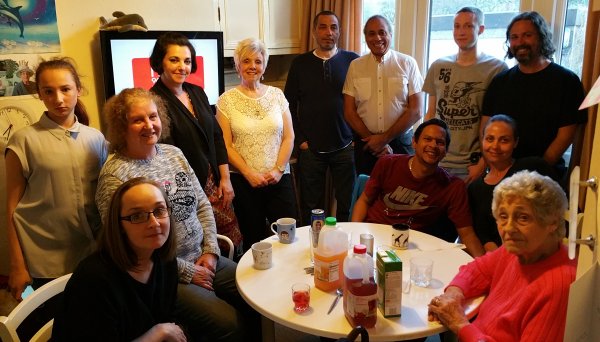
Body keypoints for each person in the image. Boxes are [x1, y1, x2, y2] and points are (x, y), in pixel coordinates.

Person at [96, 88, 258, 342]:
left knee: (258, 298)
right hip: (165, 275)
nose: (149, 125)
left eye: (153, 116)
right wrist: (187, 271)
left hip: (205, 258)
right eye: (138, 120)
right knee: (231, 324)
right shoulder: (115, 176)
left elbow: (203, 205)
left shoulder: (174, 154)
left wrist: (211, 251)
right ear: (121, 126)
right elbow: (125, 247)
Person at [5, 57, 107, 340]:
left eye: (65, 89)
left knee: (90, 323)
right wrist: (17, 264)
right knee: (52, 328)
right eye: (49, 91)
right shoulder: (23, 141)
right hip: (43, 259)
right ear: (40, 93)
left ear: (78, 90)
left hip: (90, 253)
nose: (58, 99)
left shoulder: (95, 138)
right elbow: (11, 209)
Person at [428, 171, 577, 341]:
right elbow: (477, 269)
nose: (508, 228)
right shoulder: (517, 248)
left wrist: (460, 325)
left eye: (523, 218)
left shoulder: (560, 284)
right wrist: (454, 294)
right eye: (503, 216)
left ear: (553, 223)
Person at [53, 178, 186, 341]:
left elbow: (170, 318)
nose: (154, 223)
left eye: (159, 210)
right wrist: (159, 332)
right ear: (119, 226)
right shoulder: (93, 279)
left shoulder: (165, 261)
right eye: (137, 216)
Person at [149, 32, 242, 259]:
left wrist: (226, 179)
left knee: (231, 244)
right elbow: (165, 157)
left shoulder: (197, 92)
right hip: (187, 190)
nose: (182, 66)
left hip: (217, 185)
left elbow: (216, 137)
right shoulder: (153, 101)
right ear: (160, 61)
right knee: (200, 249)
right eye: (174, 60)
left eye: (187, 61)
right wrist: (196, 194)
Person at [351, 118, 485, 257]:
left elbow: (467, 234)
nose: (433, 145)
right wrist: (356, 236)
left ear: (446, 150)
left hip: (413, 251)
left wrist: (489, 271)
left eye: (440, 142)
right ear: (414, 142)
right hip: (375, 239)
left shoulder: (453, 187)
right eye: (427, 139)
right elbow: (365, 200)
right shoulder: (388, 163)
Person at [481, 11, 587, 177]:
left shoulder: (567, 81)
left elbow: (566, 135)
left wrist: (535, 171)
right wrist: (496, 168)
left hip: (545, 177)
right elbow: (486, 127)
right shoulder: (500, 82)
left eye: (527, 35)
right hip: (501, 175)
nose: (520, 42)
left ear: (541, 37)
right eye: (514, 37)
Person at [216, 38, 297, 248]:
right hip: (244, 183)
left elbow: (289, 137)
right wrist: (249, 173)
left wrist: (279, 170)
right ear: (237, 65)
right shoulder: (226, 100)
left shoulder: (277, 95)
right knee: (254, 240)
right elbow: (225, 145)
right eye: (246, 61)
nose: (252, 66)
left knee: (288, 237)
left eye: (258, 61)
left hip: (279, 179)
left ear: (264, 65)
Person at [284, 11, 359, 224]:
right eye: (323, 27)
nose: (329, 32)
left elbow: (362, 102)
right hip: (312, 149)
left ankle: (346, 244)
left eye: (334, 27)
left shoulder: (353, 61)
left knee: (348, 203)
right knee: (311, 205)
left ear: (339, 31)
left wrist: (356, 137)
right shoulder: (300, 63)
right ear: (314, 31)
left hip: (346, 146)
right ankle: (313, 246)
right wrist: (301, 141)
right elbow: (288, 105)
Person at [423, 7, 507, 183]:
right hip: (438, 160)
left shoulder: (496, 68)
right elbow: (431, 114)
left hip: (471, 164)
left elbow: (499, 123)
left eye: (468, 26)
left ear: (481, 29)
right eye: (457, 26)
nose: (461, 32)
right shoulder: (438, 66)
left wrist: (483, 163)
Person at [343, 15, 424, 175]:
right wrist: (374, 142)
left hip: (400, 144)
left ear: (390, 34)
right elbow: (349, 111)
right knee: (368, 195)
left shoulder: (407, 63)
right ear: (365, 37)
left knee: (403, 194)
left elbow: (416, 110)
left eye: (382, 32)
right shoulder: (355, 66)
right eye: (371, 33)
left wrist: (384, 139)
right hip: (366, 145)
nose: (377, 38)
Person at [468, 115, 557, 251]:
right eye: (490, 139)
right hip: (501, 258)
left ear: (515, 142)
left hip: (539, 251)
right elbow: (484, 235)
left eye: (504, 140)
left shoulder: (533, 168)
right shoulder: (475, 188)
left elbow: (560, 209)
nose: (495, 146)